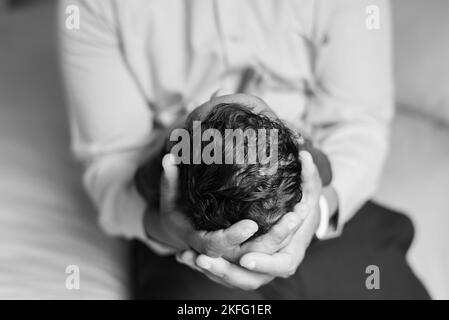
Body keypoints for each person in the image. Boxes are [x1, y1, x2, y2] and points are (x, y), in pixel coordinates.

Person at [59, 0, 430, 298]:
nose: (221, 92)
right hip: (186, 244)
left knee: (386, 281)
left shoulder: (307, 163)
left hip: (321, 213)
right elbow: (116, 165)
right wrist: (172, 228)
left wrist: (315, 211)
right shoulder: (162, 172)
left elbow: (359, 123)